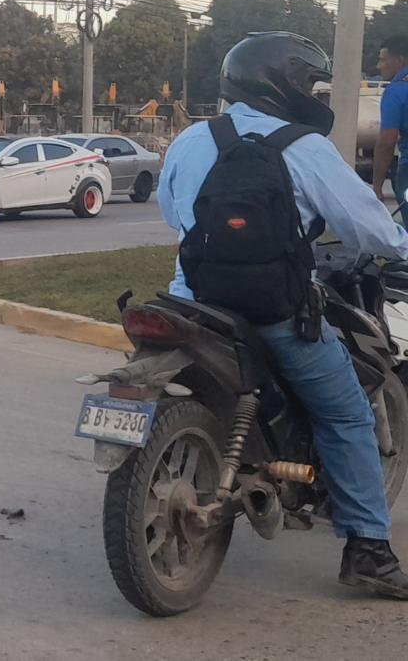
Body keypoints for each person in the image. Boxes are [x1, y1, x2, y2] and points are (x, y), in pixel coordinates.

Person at [158, 31, 408, 600]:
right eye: (308, 82)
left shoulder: (192, 139)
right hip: (271, 312)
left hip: (188, 301)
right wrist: (400, 242)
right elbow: (366, 227)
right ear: (286, 85)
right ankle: (368, 549)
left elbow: (174, 213)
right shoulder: (302, 146)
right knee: (346, 414)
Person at [371, 35, 408, 202]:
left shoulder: (397, 90)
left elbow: (387, 141)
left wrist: (377, 185)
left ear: (399, 60)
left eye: (383, 60)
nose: (379, 66)